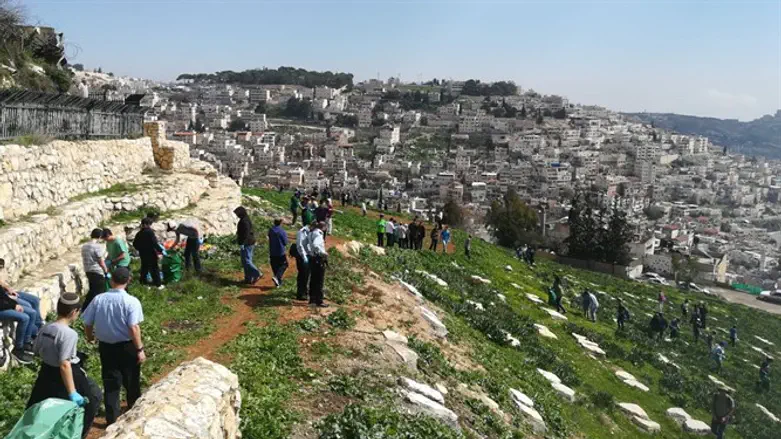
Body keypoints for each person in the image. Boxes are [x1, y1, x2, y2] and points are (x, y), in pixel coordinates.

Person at [27, 292, 101, 439]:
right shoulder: (69, 334)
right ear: (74, 312)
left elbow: (35, 350)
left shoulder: (45, 328)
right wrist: (72, 392)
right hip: (67, 376)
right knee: (91, 402)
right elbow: (64, 364)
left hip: (46, 373)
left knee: (38, 409)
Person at [82, 267, 145, 426]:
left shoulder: (98, 299)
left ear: (111, 280)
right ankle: (134, 416)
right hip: (127, 347)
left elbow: (87, 322)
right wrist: (140, 349)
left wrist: (90, 338)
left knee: (111, 383)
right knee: (131, 381)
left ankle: (112, 420)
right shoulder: (131, 301)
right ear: (128, 280)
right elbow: (133, 327)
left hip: (106, 347)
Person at [82, 228, 109, 310]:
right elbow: (101, 262)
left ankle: (85, 308)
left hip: (88, 271)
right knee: (99, 292)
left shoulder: (84, 246)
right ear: (100, 236)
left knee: (92, 291)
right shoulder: (97, 246)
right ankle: (95, 310)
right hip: (97, 271)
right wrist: (106, 271)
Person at [132, 218, 164, 290]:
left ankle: (143, 283)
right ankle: (158, 284)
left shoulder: (139, 233)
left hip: (143, 254)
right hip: (151, 253)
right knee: (154, 269)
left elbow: (134, 244)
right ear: (146, 224)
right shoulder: (150, 232)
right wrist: (161, 250)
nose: (150, 226)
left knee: (144, 268)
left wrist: (140, 249)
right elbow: (154, 243)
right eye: (149, 224)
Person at [234, 206, 261, 284]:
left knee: (246, 261)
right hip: (248, 242)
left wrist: (242, 243)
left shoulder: (244, 221)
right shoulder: (245, 219)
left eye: (237, 214)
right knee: (246, 261)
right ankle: (248, 279)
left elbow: (246, 234)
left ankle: (257, 273)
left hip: (247, 243)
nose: (237, 215)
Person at [293, 222, 316, 301]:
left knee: (306, 275)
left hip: (308, 255)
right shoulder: (302, 232)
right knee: (303, 275)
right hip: (302, 256)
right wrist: (304, 257)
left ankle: (304, 292)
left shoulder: (310, 232)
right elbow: (300, 245)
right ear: (311, 226)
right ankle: (301, 294)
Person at [308, 222, 329, 308]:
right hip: (318, 259)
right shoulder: (318, 235)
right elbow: (316, 245)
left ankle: (312, 299)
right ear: (323, 227)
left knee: (313, 279)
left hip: (312, 258)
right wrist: (323, 253)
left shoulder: (312, 233)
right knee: (319, 280)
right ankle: (319, 301)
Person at [267, 219, 288, 287]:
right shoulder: (282, 231)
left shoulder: (271, 230)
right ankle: (277, 277)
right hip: (280, 251)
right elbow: (285, 242)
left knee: (275, 267)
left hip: (272, 251)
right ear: (281, 223)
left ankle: (278, 283)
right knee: (284, 265)